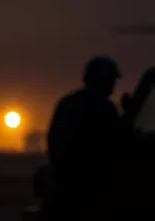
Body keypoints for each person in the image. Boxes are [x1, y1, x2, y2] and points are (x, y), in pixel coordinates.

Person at [45, 56, 128, 217]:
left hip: (69, 185)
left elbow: (54, 141)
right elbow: (116, 142)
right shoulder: (104, 109)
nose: (113, 86)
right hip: (89, 186)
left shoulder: (69, 103)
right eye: (110, 80)